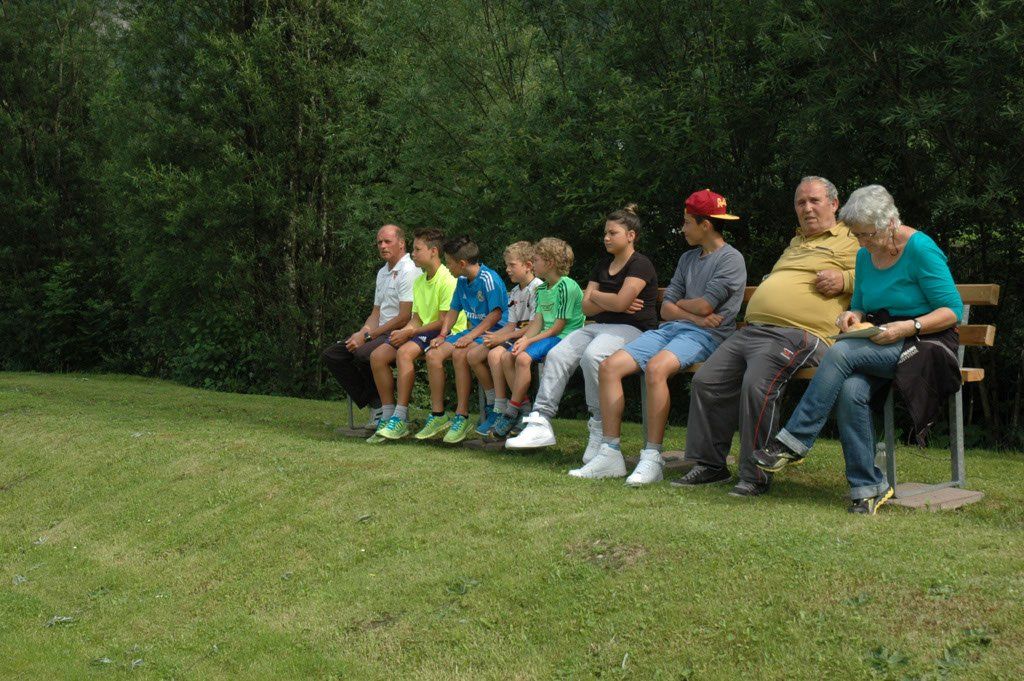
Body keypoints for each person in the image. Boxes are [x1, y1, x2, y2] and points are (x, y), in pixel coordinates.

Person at [753, 184, 964, 514]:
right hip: (881, 338)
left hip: (925, 342)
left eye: (867, 235)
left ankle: (794, 441)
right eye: (857, 235)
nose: (862, 243)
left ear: (889, 222)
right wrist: (852, 316)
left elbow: (952, 311)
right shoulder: (865, 254)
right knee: (852, 390)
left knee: (841, 353)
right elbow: (862, 304)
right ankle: (868, 488)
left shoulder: (920, 248)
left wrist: (907, 327)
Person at [676, 176, 859, 497]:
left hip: (801, 333)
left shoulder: (852, 239)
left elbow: (882, 272)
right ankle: (710, 465)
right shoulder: (796, 243)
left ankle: (755, 475)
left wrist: (845, 279)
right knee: (706, 380)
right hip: (755, 329)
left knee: (757, 383)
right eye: (801, 202)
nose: (807, 208)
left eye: (814, 201)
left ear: (834, 204)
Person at [573, 190, 747, 483]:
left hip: (708, 335)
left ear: (705, 225)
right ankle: (610, 453)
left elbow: (706, 305)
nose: (683, 228)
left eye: (687, 222)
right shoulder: (687, 258)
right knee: (609, 366)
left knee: (656, 368)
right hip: (673, 329)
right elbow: (666, 309)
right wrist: (691, 313)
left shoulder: (731, 259)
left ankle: (651, 458)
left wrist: (686, 308)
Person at [504, 205, 659, 456]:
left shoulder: (640, 265)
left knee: (592, 356)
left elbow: (616, 303)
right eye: (605, 233)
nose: (606, 238)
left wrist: (599, 296)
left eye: (613, 233)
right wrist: (611, 299)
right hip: (599, 326)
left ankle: (599, 428)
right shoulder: (602, 265)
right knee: (557, 354)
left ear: (631, 236)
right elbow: (587, 307)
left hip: (634, 329)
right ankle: (540, 421)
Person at [368, 228, 466, 442]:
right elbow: (417, 318)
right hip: (425, 332)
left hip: (448, 332)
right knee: (377, 356)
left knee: (404, 353)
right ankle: (388, 415)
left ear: (433, 251)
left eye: (417, 249)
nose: (413, 254)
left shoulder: (447, 279)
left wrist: (411, 331)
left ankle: (401, 417)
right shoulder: (420, 281)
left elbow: (444, 321)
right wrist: (404, 331)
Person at [321, 224, 420, 432]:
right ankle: (376, 404)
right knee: (334, 354)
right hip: (379, 332)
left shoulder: (409, 270)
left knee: (363, 352)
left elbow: (404, 317)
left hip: (400, 333)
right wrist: (361, 332)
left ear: (401, 243)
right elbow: (376, 312)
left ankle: (387, 410)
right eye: (379, 242)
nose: (382, 246)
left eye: (387, 241)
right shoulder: (382, 272)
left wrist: (368, 336)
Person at [490, 237, 586, 438]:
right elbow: (538, 322)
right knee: (507, 356)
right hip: (546, 335)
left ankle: (512, 411)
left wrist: (529, 341)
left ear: (549, 263)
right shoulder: (542, 289)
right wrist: (524, 339)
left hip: (565, 337)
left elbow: (557, 328)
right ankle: (524, 408)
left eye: (536, 260)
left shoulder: (566, 286)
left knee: (523, 358)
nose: (533, 264)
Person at [421, 237, 509, 443]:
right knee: (433, 354)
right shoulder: (461, 281)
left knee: (461, 354)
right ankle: (438, 414)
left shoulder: (489, 279)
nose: (446, 267)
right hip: (473, 333)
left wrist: (470, 336)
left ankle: (463, 415)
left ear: (461, 263)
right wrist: (442, 335)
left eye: (448, 262)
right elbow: (453, 310)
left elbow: (495, 315)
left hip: (495, 333)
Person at [472, 241, 542, 436]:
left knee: (498, 355)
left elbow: (532, 327)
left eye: (512, 265)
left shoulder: (538, 289)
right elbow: (511, 325)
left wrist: (501, 338)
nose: (507, 269)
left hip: (532, 337)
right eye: (507, 265)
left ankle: (517, 408)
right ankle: (507, 407)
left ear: (528, 265)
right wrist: (494, 336)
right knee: (485, 353)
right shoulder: (516, 292)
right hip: (518, 335)